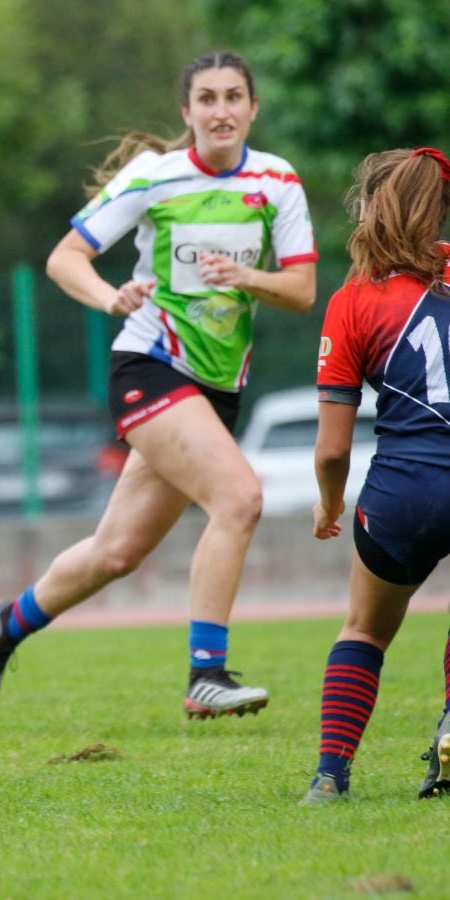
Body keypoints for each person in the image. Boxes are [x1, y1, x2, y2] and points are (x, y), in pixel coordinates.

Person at [0, 51, 318, 719]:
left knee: (115, 552)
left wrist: (248, 279)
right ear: (186, 113)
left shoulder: (278, 182)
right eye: (206, 99)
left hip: (217, 387)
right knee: (240, 498)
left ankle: (8, 622)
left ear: (253, 108)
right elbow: (65, 258)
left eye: (234, 97)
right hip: (149, 365)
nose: (221, 110)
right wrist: (110, 299)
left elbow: (302, 291)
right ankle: (205, 675)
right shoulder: (155, 176)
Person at [300, 147, 450, 804]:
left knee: (365, 628)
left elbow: (333, 451)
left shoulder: (353, 301)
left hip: (403, 492)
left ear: (372, 210)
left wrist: (330, 505)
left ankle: (330, 775)